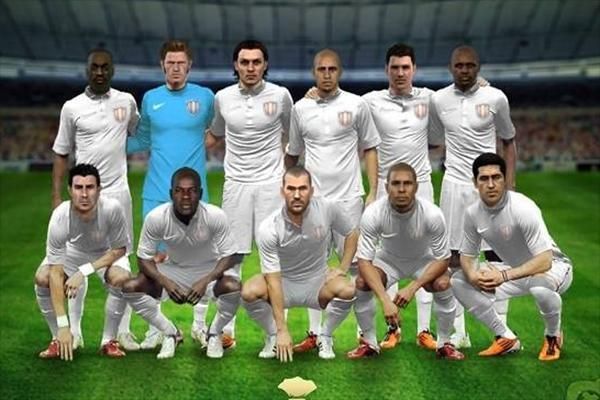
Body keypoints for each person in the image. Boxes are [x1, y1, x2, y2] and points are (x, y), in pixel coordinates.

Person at [285, 48, 380, 352]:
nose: (326, 74)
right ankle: (315, 335)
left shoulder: (356, 104)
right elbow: (292, 154)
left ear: (339, 72)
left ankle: (367, 338)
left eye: (332, 69)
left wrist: (373, 191)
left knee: (359, 271)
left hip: (349, 199)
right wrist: (290, 192)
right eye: (321, 69)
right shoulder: (301, 109)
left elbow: (370, 147)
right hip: (313, 204)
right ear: (314, 72)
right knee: (313, 269)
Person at [203, 40, 293, 346]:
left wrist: (291, 176)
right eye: (245, 62)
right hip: (236, 186)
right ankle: (226, 331)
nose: (251, 68)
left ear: (265, 65)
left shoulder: (280, 95)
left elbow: (293, 135)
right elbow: (214, 135)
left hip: (271, 186)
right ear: (236, 65)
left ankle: (278, 332)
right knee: (231, 259)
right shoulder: (222, 98)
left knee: (275, 259)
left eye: (256, 62)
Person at [127, 39, 215, 349]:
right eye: (170, 63)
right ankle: (158, 329)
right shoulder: (151, 99)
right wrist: (104, 142)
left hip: (194, 197)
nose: (175, 68)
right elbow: (142, 139)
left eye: (181, 63)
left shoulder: (205, 98)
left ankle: (200, 327)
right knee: (152, 264)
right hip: (156, 194)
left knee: (202, 262)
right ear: (162, 65)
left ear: (189, 66)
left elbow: (222, 128)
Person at [51, 48, 140, 351]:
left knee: (121, 266)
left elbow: (137, 131)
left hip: (118, 195)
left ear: (112, 70)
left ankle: (120, 333)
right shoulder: (71, 107)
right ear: (87, 70)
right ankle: (74, 332)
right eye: (94, 67)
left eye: (105, 67)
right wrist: (56, 196)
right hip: (83, 197)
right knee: (75, 259)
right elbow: (61, 152)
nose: (99, 72)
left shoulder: (127, 101)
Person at [430, 45, 517, 348]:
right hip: (454, 185)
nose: (464, 70)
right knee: (454, 259)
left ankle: (502, 332)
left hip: (489, 186)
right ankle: (459, 333)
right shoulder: (438, 100)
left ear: (478, 67)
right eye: (459, 65)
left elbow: (508, 141)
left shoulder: (496, 98)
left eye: (470, 65)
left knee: (497, 256)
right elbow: (431, 137)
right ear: (450, 68)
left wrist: (510, 186)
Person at [451, 153, 572, 361]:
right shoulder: (472, 214)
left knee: (540, 288)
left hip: (554, 267)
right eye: (484, 178)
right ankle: (505, 337)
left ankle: (552, 336)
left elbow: (545, 260)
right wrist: (473, 276)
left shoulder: (522, 207)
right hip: (514, 271)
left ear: (505, 179)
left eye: (496, 177)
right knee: (458, 281)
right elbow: (467, 256)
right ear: (475, 183)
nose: (491, 184)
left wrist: (504, 276)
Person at [361, 43, 438, 351]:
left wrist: (482, 84)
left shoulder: (430, 98)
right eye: (395, 67)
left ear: (414, 69)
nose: (401, 72)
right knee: (386, 255)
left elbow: (461, 94)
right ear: (386, 70)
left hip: (422, 186)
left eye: (406, 67)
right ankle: (392, 328)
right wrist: (315, 93)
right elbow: (341, 101)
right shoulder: (370, 101)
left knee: (427, 254)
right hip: (385, 186)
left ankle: (424, 330)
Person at [121, 168, 242, 359]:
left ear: (200, 193)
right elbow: (143, 259)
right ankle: (170, 333)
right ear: (171, 194)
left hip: (208, 271)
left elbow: (231, 255)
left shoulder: (214, 215)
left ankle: (214, 334)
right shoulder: (156, 217)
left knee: (234, 287)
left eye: (191, 190)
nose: (185, 196)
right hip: (174, 271)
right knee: (131, 287)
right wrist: (165, 282)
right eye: (179, 190)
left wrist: (206, 280)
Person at [348, 162, 464, 360]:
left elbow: (443, 259)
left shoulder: (432, 214)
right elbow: (364, 261)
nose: (401, 189)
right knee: (361, 282)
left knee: (443, 283)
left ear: (416, 187)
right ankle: (369, 343)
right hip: (388, 259)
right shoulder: (373, 213)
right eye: (396, 183)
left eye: (407, 183)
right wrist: (385, 300)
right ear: (387, 187)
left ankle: (445, 343)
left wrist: (412, 287)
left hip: (423, 260)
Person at [242, 166, 357, 361]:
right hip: (283, 283)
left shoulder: (328, 208)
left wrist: (343, 267)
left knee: (349, 289)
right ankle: (272, 336)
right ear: (282, 191)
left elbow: (352, 232)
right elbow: (273, 280)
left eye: (302, 188)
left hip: (318, 283)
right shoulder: (269, 228)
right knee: (249, 292)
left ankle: (325, 335)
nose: (297, 195)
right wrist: (282, 330)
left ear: (311, 191)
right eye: (291, 188)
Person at [35, 164, 134, 360]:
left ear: (99, 189)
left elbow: (120, 249)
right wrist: (63, 325)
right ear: (70, 190)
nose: (84, 194)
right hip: (72, 252)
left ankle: (109, 340)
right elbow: (55, 272)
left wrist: (83, 272)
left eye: (90, 187)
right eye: (78, 187)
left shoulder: (112, 208)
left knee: (122, 279)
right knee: (42, 278)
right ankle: (58, 338)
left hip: (105, 253)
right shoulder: (60, 216)